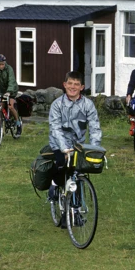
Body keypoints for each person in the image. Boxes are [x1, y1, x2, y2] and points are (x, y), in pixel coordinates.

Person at [48, 71, 102, 204]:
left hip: (79, 145)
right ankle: (54, 184)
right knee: (61, 166)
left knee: (79, 171)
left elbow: (95, 127)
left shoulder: (88, 105)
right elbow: (55, 128)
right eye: (70, 84)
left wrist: (94, 148)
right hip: (59, 144)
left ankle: (75, 207)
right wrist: (64, 148)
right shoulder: (57, 105)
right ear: (64, 85)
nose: (73, 87)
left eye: (76, 84)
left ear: (82, 87)